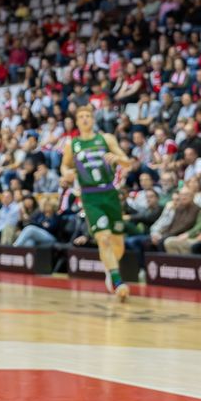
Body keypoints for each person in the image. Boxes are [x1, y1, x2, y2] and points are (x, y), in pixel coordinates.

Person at [60, 106, 135, 301]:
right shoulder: (72, 145)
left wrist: (119, 159)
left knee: (118, 244)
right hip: (89, 195)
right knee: (103, 238)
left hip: (109, 193)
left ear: (93, 120)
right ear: (76, 122)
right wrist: (66, 174)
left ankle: (110, 270)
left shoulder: (107, 139)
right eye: (81, 117)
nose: (84, 119)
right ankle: (117, 280)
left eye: (88, 116)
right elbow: (64, 165)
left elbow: (127, 162)